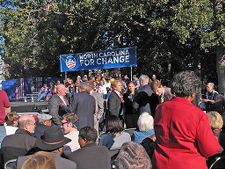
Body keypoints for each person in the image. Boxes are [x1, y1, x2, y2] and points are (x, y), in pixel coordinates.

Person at [152, 71, 220, 169]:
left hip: (161, 164)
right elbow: (210, 150)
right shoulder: (198, 115)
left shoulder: (160, 109)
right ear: (193, 93)